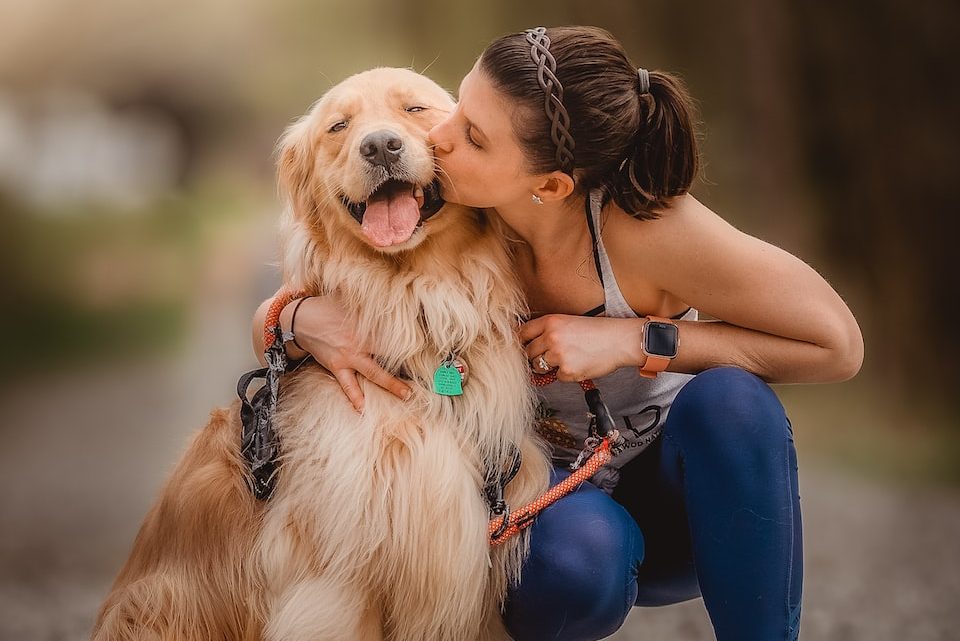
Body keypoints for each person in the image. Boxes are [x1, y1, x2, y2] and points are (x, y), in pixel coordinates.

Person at [251, 26, 863, 641]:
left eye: (472, 136)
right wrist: (294, 321)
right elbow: (305, 303)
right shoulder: (452, 231)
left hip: (682, 509)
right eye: (457, 107)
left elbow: (836, 344)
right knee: (576, 560)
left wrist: (637, 342)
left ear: (549, 186)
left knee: (734, 401)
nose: (436, 136)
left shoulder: (646, 227)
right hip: (556, 526)